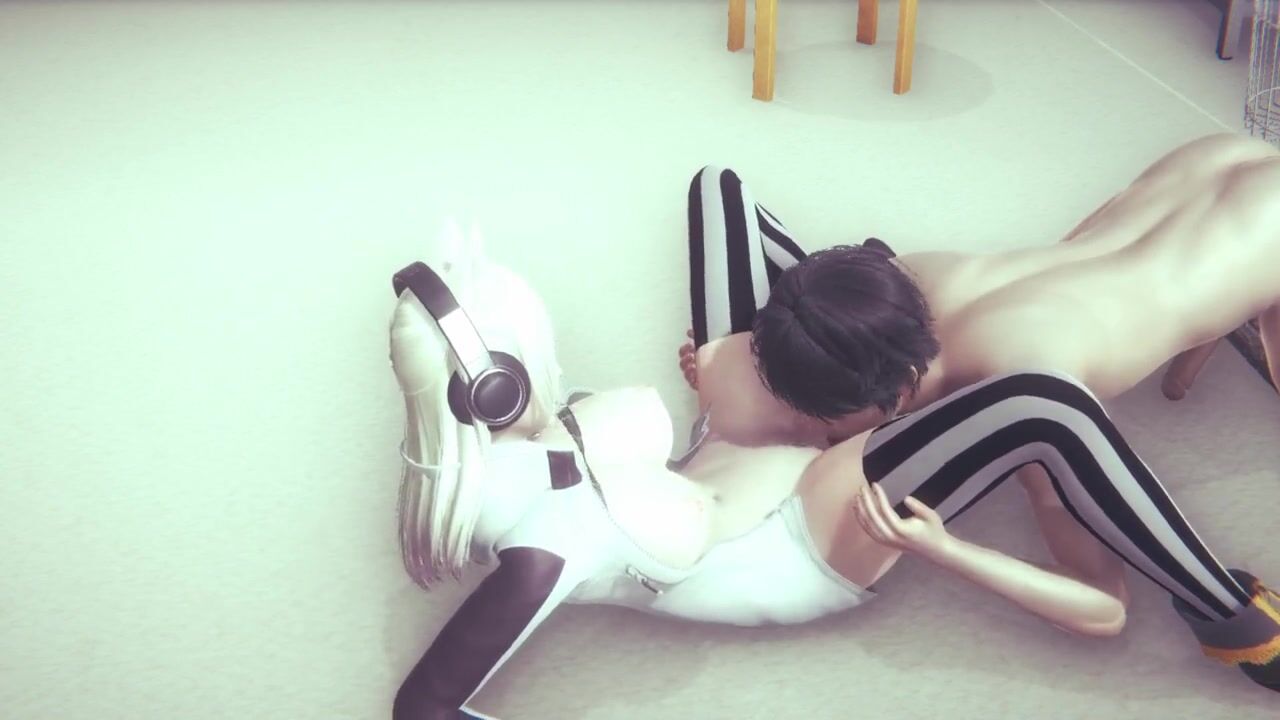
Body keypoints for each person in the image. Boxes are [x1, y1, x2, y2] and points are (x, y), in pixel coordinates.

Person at [387, 229, 1280, 719]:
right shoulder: (549, 545)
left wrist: (804, 321)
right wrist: (951, 550)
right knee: (1043, 401)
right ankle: (1238, 624)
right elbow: (423, 708)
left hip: (729, 459)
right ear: (494, 386)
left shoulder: (525, 434)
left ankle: (824, 327)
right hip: (786, 537)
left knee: (719, 192)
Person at [679, 131, 1280, 451]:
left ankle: (1217, 328)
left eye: (825, 426)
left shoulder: (1029, 373)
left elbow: (1069, 504)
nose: (814, 435)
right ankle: (1200, 346)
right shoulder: (912, 276)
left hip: (1229, 175)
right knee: (1103, 249)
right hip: (1213, 158)